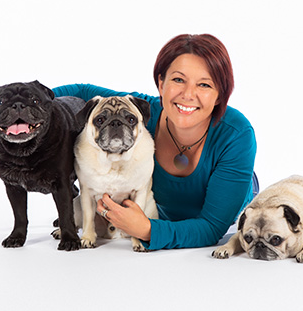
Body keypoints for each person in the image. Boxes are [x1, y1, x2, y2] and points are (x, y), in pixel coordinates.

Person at [53, 34, 257, 250]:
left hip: (232, 195)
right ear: (161, 84)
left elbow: (210, 227)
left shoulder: (236, 134)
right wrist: (29, 112)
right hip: (160, 210)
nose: (188, 94)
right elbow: (82, 91)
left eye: (204, 84)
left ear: (219, 96)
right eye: (178, 80)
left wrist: (146, 230)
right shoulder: (139, 112)